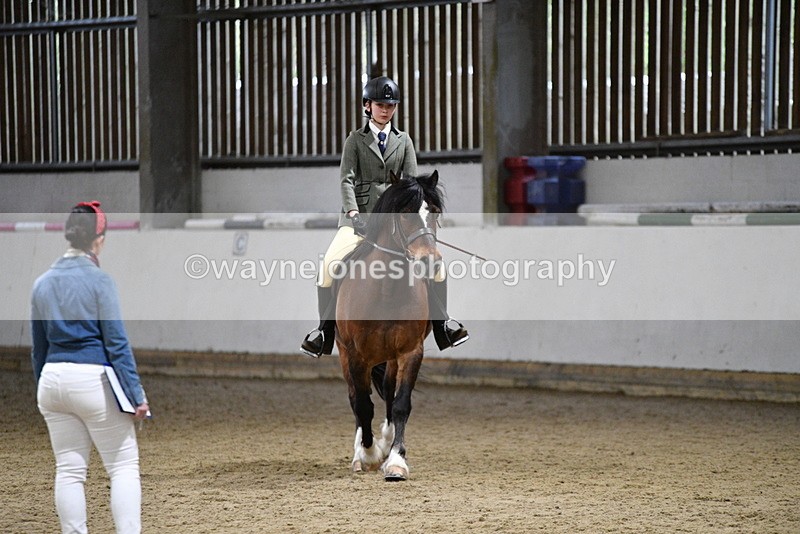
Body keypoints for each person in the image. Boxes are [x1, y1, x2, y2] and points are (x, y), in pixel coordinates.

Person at [301, 76, 469, 357]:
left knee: (437, 267)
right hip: (358, 218)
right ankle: (324, 332)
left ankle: (443, 326)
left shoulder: (403, 141)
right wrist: (353, 212)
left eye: (390, 106)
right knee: (329, 265)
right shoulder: (355, 140)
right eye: (380, 105)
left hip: (395, 222)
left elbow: (412, 183)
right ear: (367, 106)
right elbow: (346, 180)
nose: (386, 110)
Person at [31, 201, 149, 534]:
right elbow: (116, 343)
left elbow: (38, 348)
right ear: (99, 239)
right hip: (91, 378)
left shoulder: (42, 283)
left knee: (69, 471)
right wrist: (136, 394)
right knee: (123, 466)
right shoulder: (100, 281)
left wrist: (45, 388)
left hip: (52, 380)